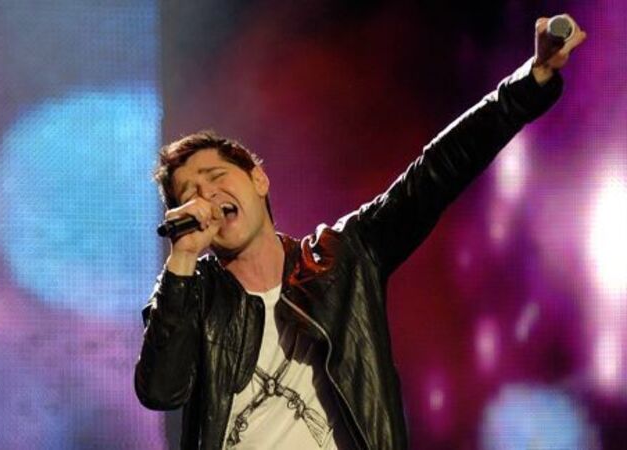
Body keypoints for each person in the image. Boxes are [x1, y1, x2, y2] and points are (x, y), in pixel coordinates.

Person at [135, 15, 586, 450]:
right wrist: (182, 259)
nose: (206, 196)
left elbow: (437, 171)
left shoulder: (343, 260)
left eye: (216, 177)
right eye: (189, 194)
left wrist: (530, 82)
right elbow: (161, 391)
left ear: (258, 179)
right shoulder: (188, 297)